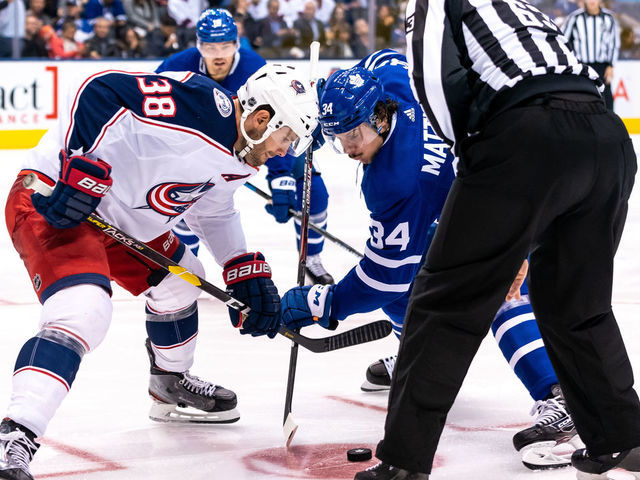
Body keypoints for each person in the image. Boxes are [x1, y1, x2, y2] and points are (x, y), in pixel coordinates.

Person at [347, 0, 638, 478]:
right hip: (607, 141)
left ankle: (403, 462)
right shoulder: (522, 7)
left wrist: (476, 184)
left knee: (443, 302)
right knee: (576, 304)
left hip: (525, 136)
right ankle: (623, 438)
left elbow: (436, 87)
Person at [0, 63, 318, 480]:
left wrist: (240, 266)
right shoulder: (201, 108)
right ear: (263, 119)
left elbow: (213, 206)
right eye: (287, 136)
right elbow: (101, 89)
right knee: (84, 309)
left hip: (120, 220)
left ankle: (169, 383)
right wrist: (76, 163)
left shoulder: (242, 152)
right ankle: (15, 436)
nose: (286, 149)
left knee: (182, 283)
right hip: (55, 201)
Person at [280, 49, 579, 471]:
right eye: (337, 139)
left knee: (498, 287)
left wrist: (322, 305)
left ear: (380, 118)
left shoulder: (396, 182)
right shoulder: (392, 81)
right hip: (499, 175)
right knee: (423, 268)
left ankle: (558, 396)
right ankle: (416, 352)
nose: (347, 149)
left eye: (353, 136)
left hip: (523, 188)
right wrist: (322, 111)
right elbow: (382, 56)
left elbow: (382, 278)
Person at [156, 8, 334, 284]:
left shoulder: (254, 67)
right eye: (210, 47)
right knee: (184, 199)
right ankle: (182, 264)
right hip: (202, 148)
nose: (218, 55)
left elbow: (278, 123)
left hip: (261, 141)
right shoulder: (174, 68)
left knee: (315, 193)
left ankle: (312, 259)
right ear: (198, 45)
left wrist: (282, 174)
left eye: (225, 46)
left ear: (237, 44)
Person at [562, 0, 620, 110]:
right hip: (583, 66)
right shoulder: (575, 18)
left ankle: (608, 125)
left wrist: (611, 66)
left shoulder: (609, 18)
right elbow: (564, 40)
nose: (592, 1)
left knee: (606, 99)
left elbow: (614, 43)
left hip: (602, 66)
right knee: (582, 97)